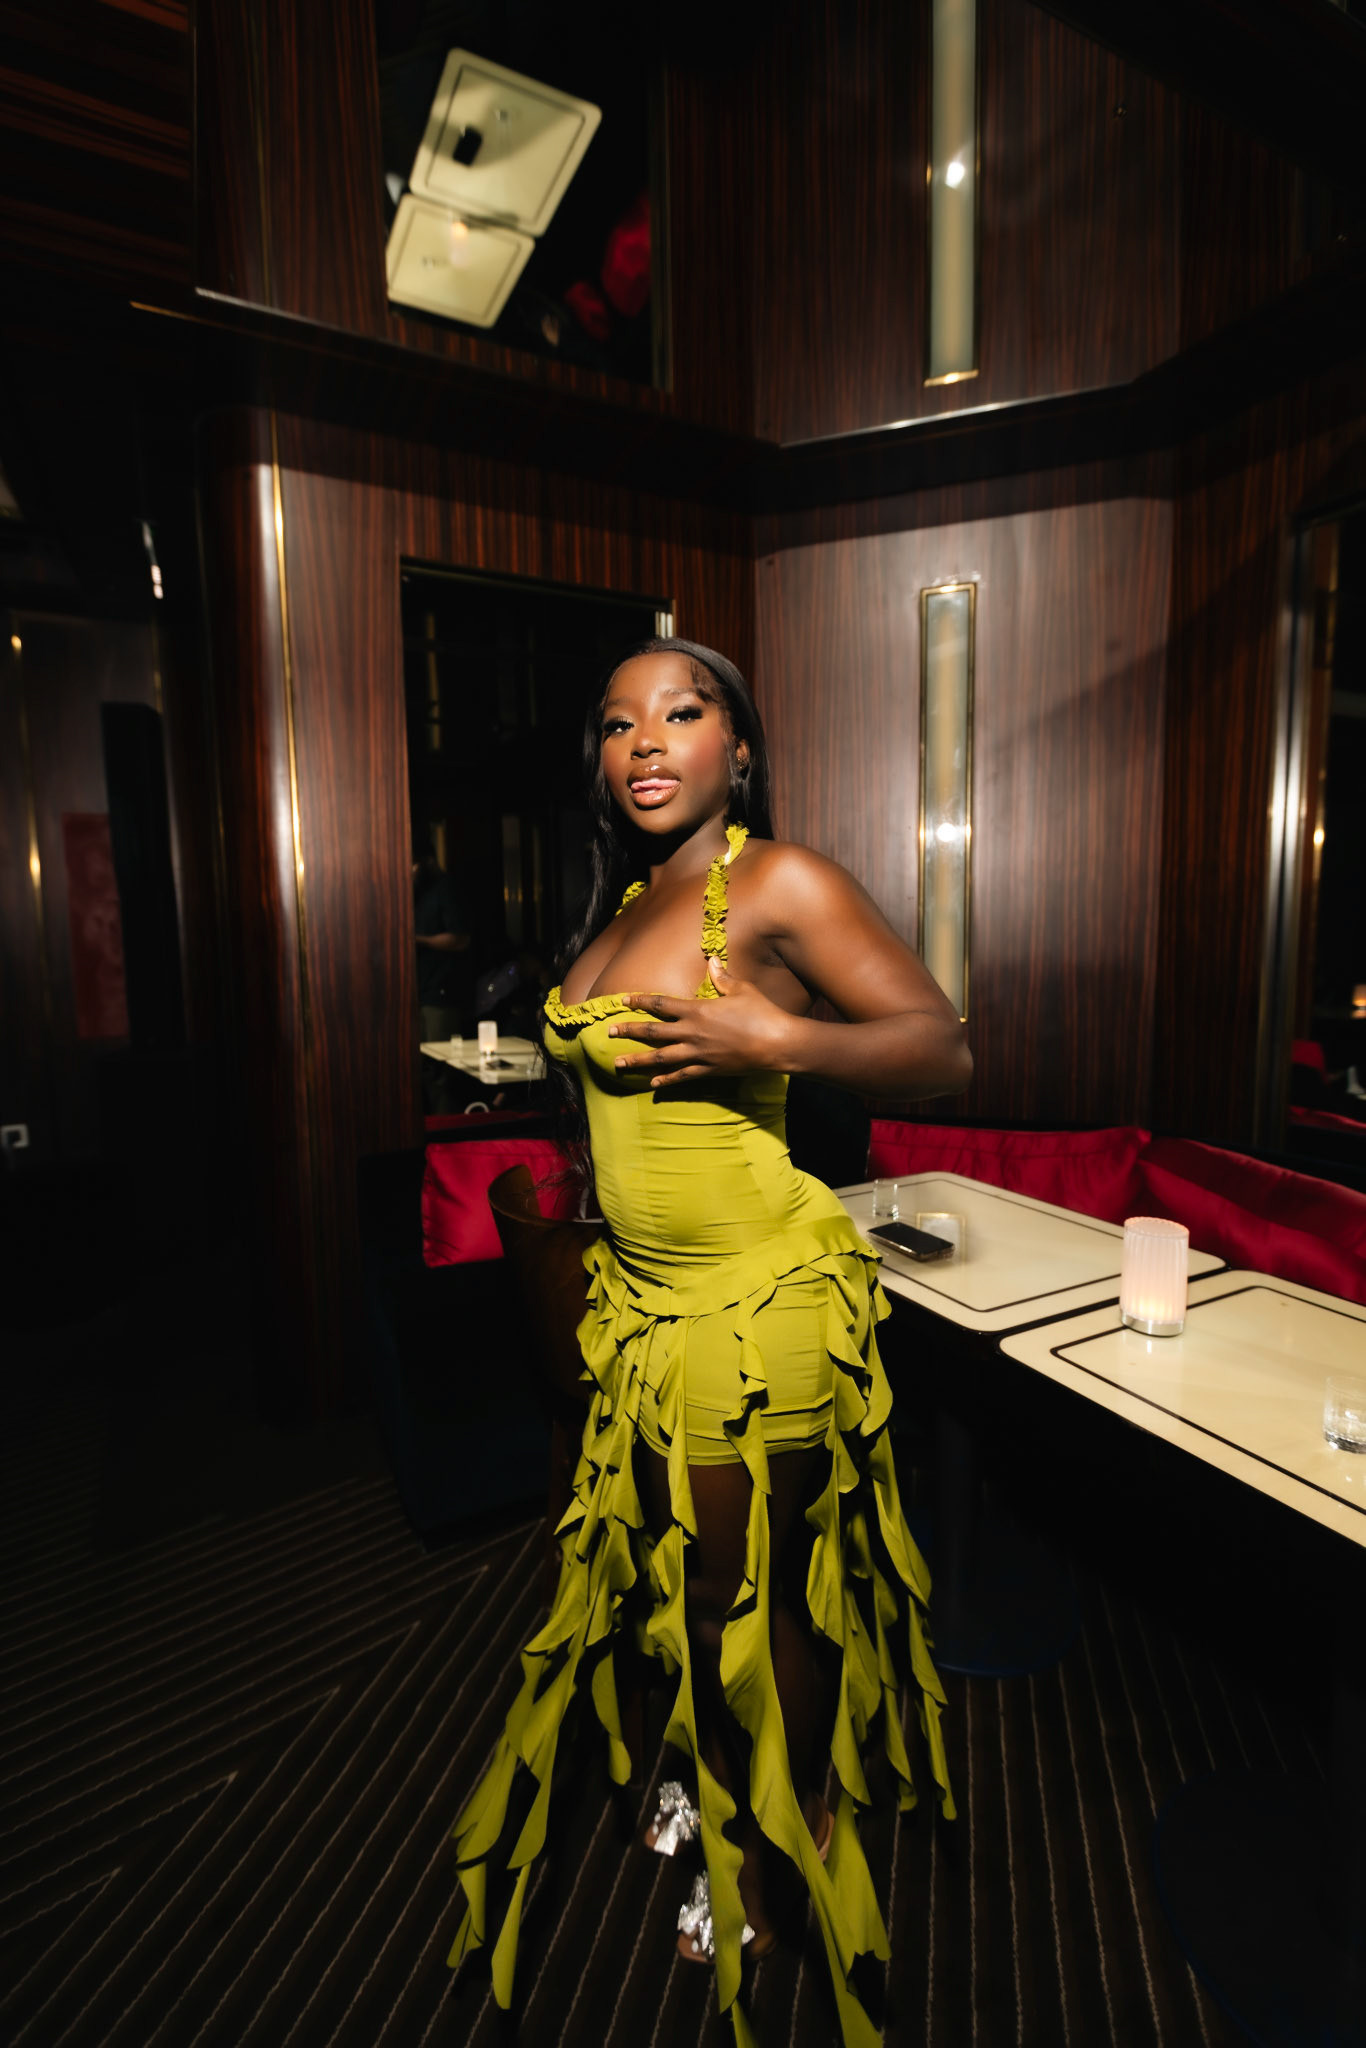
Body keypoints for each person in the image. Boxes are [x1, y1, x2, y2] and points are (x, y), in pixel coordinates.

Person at [448, 639, 972, 2047]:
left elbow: (941, 1046)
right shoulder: (626, 902)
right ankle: (711, 1760)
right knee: (678, 1587)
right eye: (617, 723)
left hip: (758, 1304)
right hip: (641, 1302)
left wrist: (779, 1041)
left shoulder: (776, 881)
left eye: (681, 712)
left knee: (757, 1597)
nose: (645, 741)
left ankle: (779, 1839)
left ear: (737, 748)